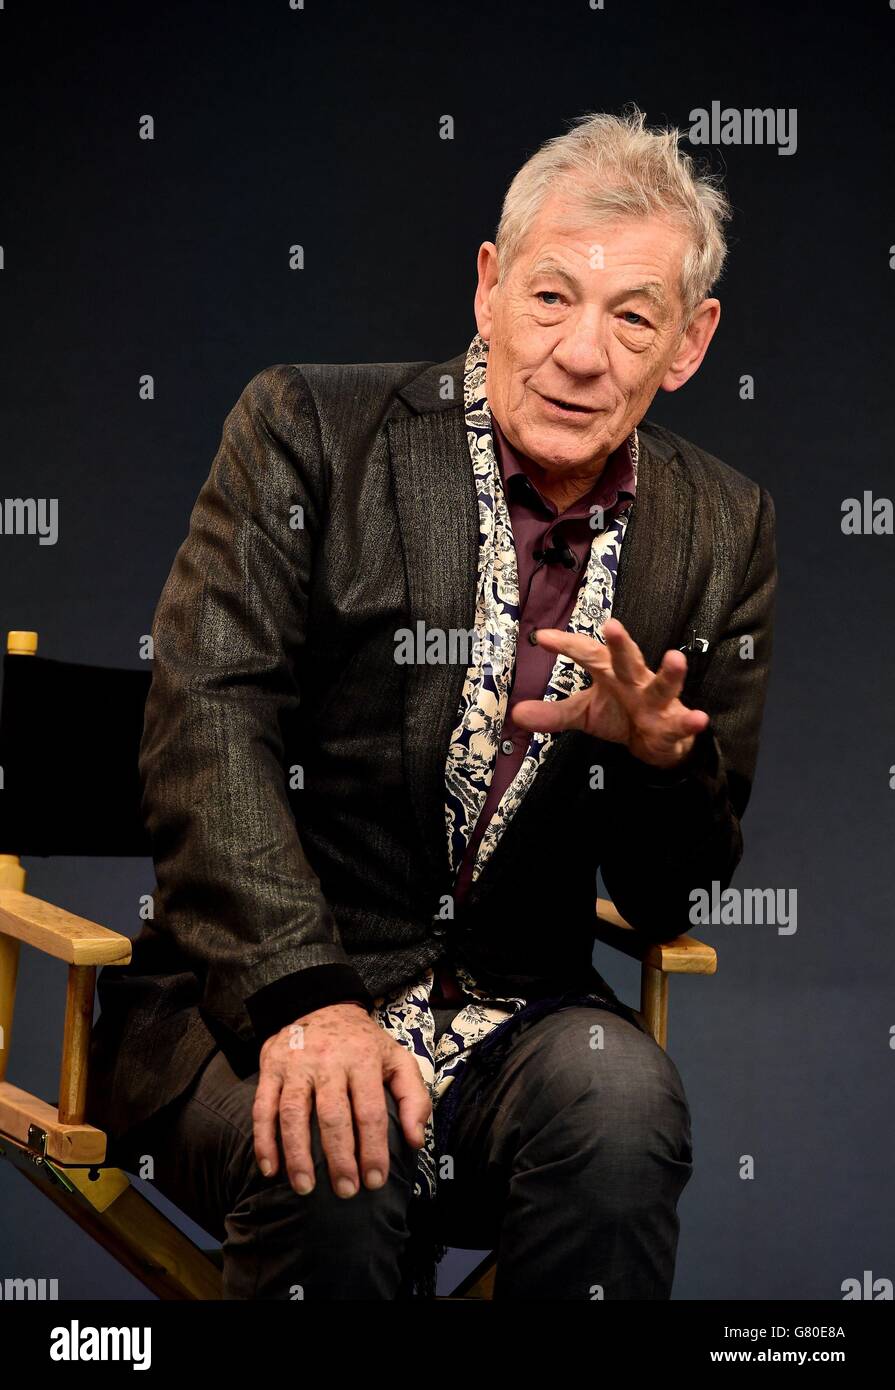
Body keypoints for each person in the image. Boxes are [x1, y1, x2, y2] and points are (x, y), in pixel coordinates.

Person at [87, 106, 777, 1300]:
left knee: (622, 1103)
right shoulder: (307, 427)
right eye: (553, 297)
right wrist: (307, 1004)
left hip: (521, 1023)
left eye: (631, 318)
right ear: (489, 287)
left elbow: (671, 893)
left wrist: (649, 765)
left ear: (689, 343)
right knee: (338, 1151)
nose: (579, 353)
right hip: (247, 1003)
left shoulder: (722, 527)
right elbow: (206, 725)